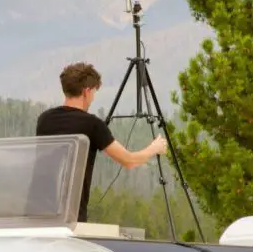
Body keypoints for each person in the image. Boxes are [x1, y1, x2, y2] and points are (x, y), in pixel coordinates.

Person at [35, 61, 167, 222]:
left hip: (37, 210)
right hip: (71, 215)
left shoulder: (44, 120)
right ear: (86, 91)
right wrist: (154, 148)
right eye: (94, 92)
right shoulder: (92, 124)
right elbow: (129, 161)